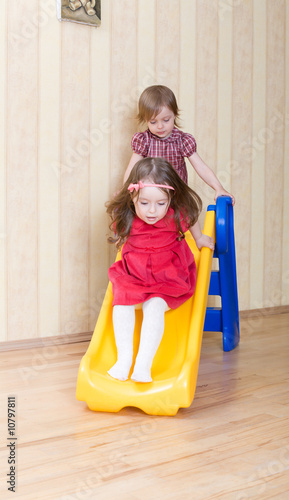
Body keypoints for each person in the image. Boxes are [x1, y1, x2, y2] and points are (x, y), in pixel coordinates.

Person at [106, 157, 214, 383]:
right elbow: (118, 216)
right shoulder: (128, 218)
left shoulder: (177, 215)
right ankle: (124, 360)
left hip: (168, 276)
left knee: (154, 306)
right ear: (133, 197)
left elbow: (191, 215)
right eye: (144, 203)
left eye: (160, 204)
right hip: (134, 274)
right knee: (121, 303)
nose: (152, 211)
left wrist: (200, 238)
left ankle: (143, 365)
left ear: (171, 199)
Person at [123, 85, 235, 205]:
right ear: (145, 120)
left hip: (177, 197)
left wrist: (218, 187)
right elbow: (132, 168)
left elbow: (201, 167)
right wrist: (125, 192)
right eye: (153, 122)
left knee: (189, 216)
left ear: (175, 115)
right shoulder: (144, 141)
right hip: (152, 198)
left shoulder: (182, 141)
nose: (160, 126)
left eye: (166, 120)